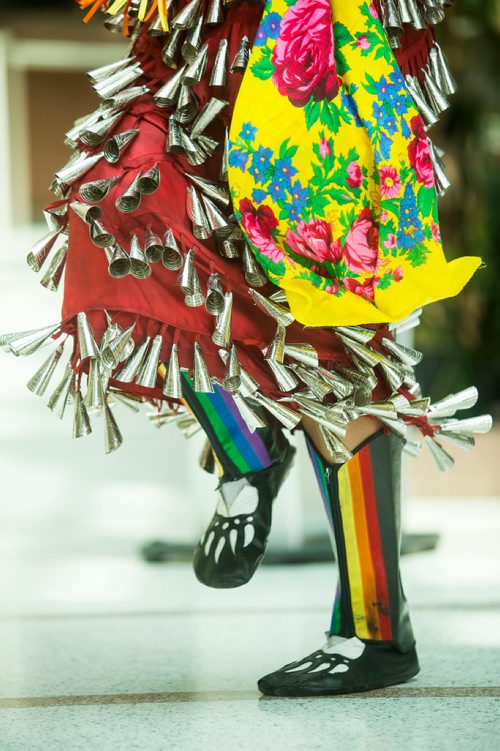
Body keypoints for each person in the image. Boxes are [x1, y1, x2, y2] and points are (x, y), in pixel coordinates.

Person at [1, 0, 492, 696]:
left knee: (333, 333)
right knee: (118, 204)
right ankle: (247, 456)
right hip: (194, 49)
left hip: (323, 40)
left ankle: (376, 629)